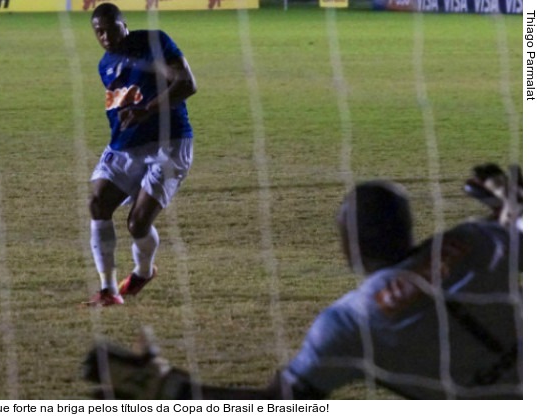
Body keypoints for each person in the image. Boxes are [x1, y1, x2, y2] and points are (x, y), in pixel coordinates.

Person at [84, 164, 522, 399]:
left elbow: (279, 401)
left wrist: (171, 388)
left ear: (348, 248)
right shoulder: (476, 240)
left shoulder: (350, 323)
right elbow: (514, 228)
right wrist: (512, 201)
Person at [84, 3, 197, 307]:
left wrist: (147, 110)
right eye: (99, 32)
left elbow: (187, 84)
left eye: (111, 28)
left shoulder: (154, 42)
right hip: (126, 147)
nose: (105, 37)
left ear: (124, 25)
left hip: (169, 144)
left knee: (138, 224)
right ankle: (108, 289)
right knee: (97, 202)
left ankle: (143, 272)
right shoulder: (104, 65)